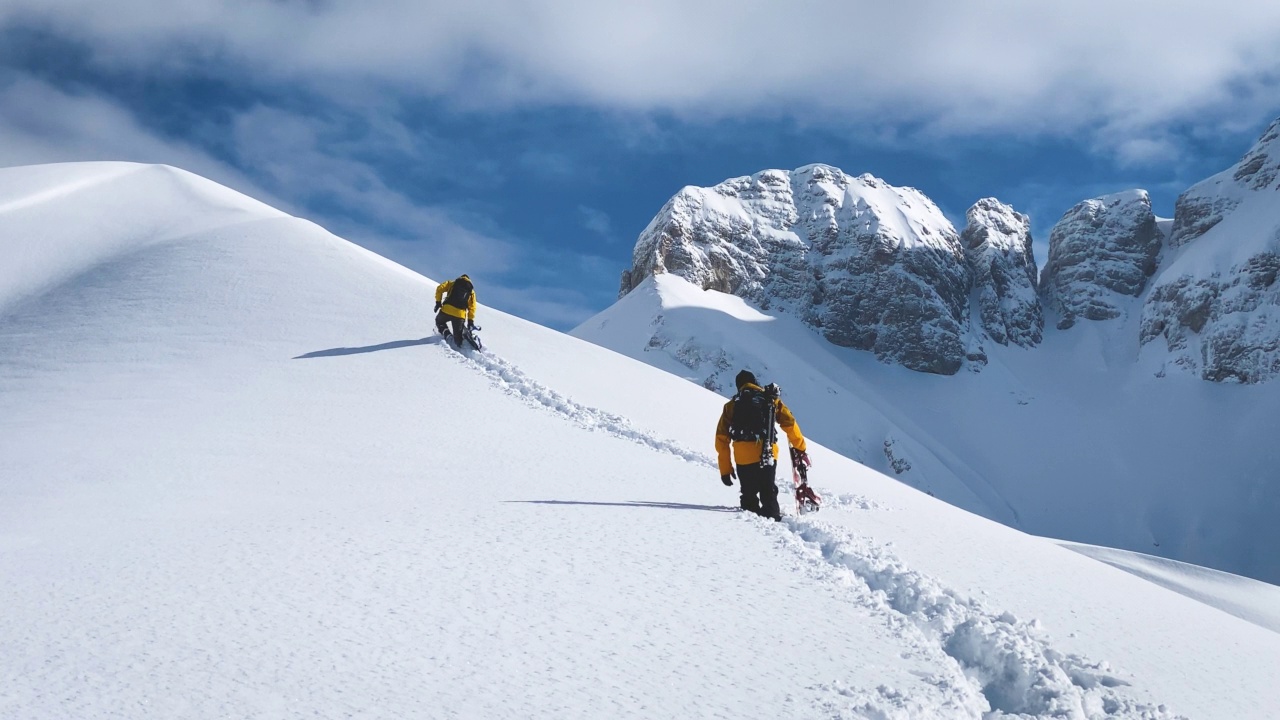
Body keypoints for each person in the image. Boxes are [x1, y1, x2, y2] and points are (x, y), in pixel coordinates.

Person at [715, 370, 808, 520]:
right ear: (755, 382)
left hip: (743, 456)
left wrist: (725, 470)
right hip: (768, 452)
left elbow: (721, 439)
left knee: (748, 493)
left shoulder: (731, 406)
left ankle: (753, 524)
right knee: (768, 489)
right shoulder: (770, 400)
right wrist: (800, 448)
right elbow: (789, 423)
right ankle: (772, 518)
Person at [434, 274, 477, 346]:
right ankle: (462, 343)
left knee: (439, 321)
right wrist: (470, 321)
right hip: (460, 315)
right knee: (458, 339)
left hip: (446, 310)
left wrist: (438, 302)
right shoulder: (471, 291)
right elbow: (472, 307)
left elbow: (439, 288)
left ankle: (447, 335)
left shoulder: (452, 283)